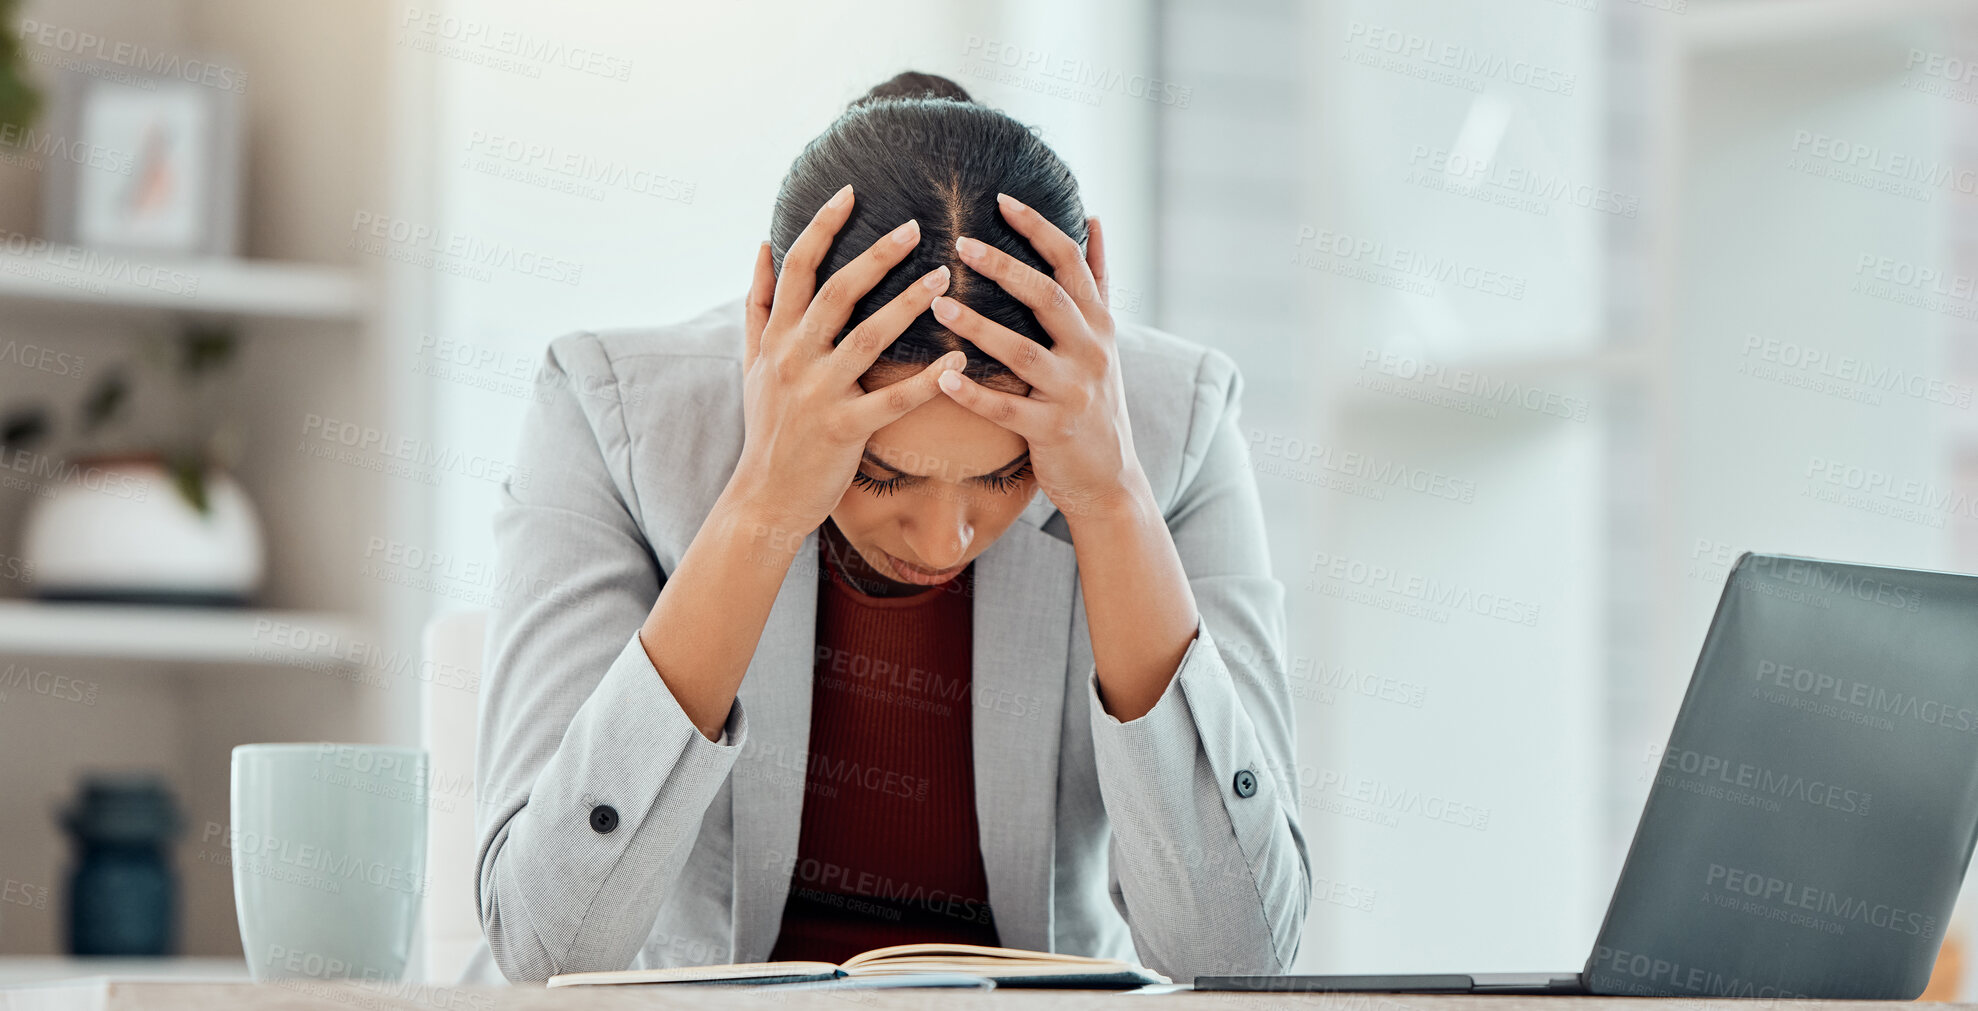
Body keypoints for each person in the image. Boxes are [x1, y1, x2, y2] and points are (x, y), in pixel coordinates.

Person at [466, 70, 1308, 985]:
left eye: (1003, 472)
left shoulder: (1175, 426)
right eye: (876, 472)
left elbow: (1242, 961)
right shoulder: (609, 414)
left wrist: (1112, 500)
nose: (943, 538)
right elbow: (545, 946)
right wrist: (765, 501)